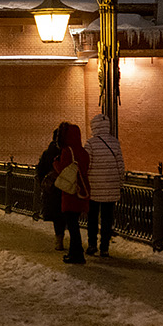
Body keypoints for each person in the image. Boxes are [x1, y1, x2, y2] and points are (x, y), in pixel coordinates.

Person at [84, 113, 126, 257]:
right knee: (107, 219)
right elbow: (121, 165)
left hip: (95, 188)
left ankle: (92, 245)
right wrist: (120, 183)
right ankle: (105, 247)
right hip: (111, 187)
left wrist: (85, 182)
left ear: (94, 127)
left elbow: (86, 166)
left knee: (93, 218)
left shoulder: (90, 144)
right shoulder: (115, 142)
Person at [52, 122, 91, 264]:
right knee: (75, 224)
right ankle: (76, 252)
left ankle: (77, 254)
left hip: (70, 193)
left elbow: (63, 171)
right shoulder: (83, 152)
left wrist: (55, 163)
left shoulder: (67, 151)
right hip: (81, 190)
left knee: (72, 225)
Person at [35, 123, 67, 251]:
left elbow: (40, 170)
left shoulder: (48, 152)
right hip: (66, 187)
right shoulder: (66, 152)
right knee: (66, 214)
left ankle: (58, 240)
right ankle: (68, 239)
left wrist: (44, 184)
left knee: (57, 216)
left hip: (52, 189)